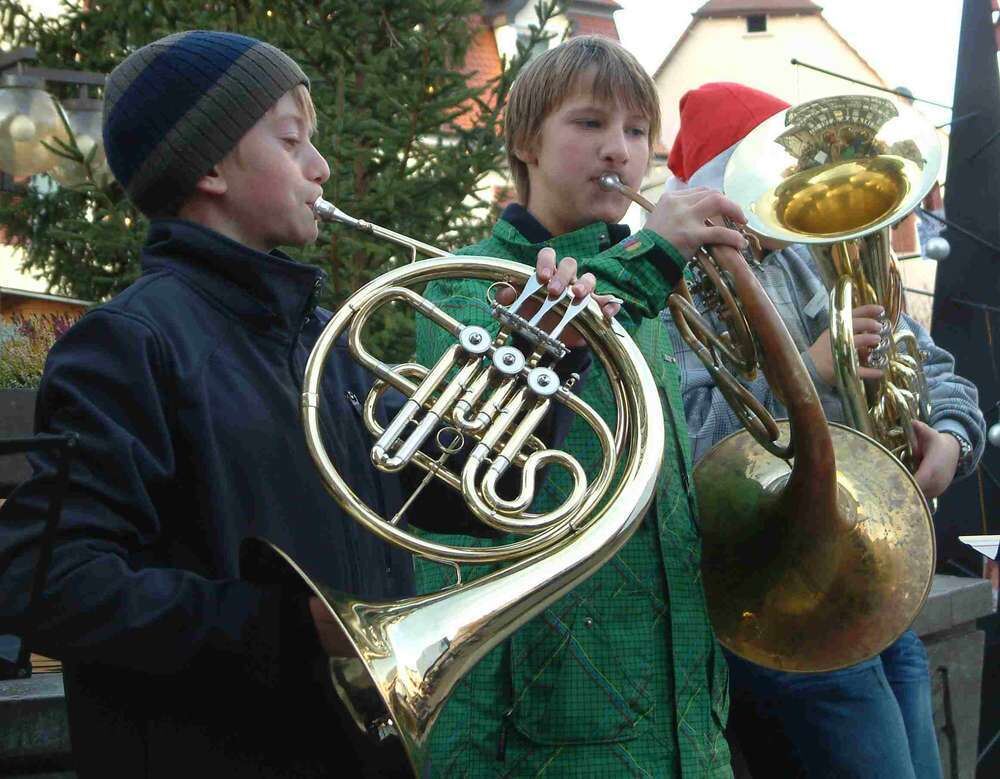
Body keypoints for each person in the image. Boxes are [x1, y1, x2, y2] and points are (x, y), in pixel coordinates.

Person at [0, 31, 608, 778]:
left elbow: (442, 500)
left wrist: (551, 356)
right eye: (293, 142)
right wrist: (288, 626)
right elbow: (50, 579)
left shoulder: (322, 336)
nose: (320, 167)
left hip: (351, 750)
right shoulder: (130, 343)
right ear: (212, 166)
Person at [410, 36, 749, 777]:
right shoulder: (464, 285)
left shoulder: (645, 297)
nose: (619, 151)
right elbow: (468, 476)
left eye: (635, 131)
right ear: (526, 141)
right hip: (543, 722)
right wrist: (649, 258)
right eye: (590, 124)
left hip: (683, 718)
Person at [662, 81, 987, 779]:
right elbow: (694, 451)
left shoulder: (813, 261)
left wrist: (952, 441)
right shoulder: (679, 286)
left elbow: (942, 374)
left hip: (872, 577)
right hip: (785, 597)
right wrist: (806, 375)